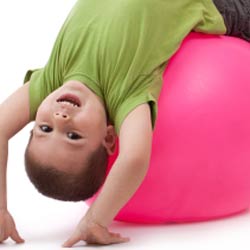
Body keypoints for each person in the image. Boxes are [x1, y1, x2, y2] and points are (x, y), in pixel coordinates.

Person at [0, 0, 249, 247]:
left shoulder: (51, 81)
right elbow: (135, 157)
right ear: (109, 137)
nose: (61, 118)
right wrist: (96, 220)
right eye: (74, 136)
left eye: (45, 129)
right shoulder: (125, 95)